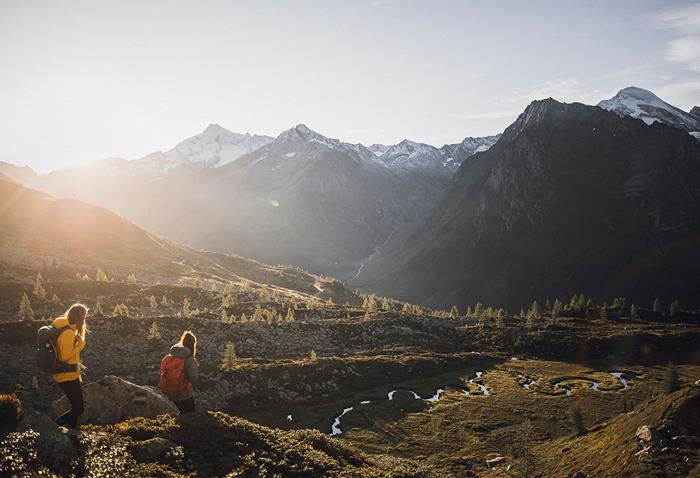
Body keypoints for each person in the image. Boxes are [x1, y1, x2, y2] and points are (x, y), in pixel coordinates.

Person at [53, 303, 88, 429]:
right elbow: (64, 356)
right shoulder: (68, 333)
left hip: (67, 374)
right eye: (84, 317)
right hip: (66, 376)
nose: (85, 320)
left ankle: (72, 430)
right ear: (80, 317)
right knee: (79, 409)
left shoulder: (68, 329)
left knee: (76, 407)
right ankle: (54, 426)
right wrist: (80, 346)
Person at [160, 330, 199, 412]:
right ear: (193, 344)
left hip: (168, 397)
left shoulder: (171, 356)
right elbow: (194, 379)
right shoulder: (189, 359)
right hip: (184, 397)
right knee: (189, 420)